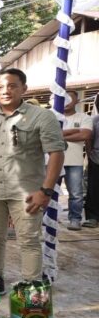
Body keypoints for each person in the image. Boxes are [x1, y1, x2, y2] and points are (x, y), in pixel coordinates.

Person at [0, 68, 65, 291]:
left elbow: (56, 152)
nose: (5, 91)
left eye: (12, 86)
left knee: (29, 240)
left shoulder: (41, 116)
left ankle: (31, 286)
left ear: (23, 88)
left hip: (27, 193)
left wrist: (45, 191)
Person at [62, 90, 93, 230]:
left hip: (74, 161)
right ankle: (45, 218)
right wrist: (75, 132)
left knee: (76, 193)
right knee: (47, 191)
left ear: (76, 100)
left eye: (70, 98)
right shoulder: (52, 116)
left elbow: (85, 135)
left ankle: (75, 219)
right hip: (51, 160)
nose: (66, 101)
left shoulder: (83, 117)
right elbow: (45, 135)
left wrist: (59, 135)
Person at [84, 94, 99, 228]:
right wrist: (90, 154)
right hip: (96, 158)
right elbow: (88, 139)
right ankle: (92, 217)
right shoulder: (94, 120)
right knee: (93, 188)